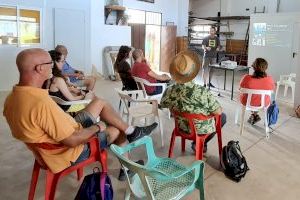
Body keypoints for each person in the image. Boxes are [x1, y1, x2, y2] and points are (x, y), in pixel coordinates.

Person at [3, 48, 157, 181]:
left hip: (64, 132)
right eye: (49, 63)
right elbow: (71, 141)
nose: (53, 66)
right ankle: (127, 169)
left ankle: (132, 131)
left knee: (99, 102)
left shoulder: (12, 98)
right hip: (67, 151)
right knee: (116, 130)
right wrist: (97, 127)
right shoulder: (39, 103)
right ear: (39, 68)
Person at [160, 50, 226, 153]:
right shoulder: (202, 91)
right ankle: (200, 143)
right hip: (200, 130)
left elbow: (163, 104)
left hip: (181, 127)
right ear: (194, 72)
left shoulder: (169, 89)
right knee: (223, 117)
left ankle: (197, 143)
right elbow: (218, 112)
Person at [239, 58, 275, 124]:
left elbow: (240, 87)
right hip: (263, 103)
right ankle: (254, 115)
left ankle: (254, 115)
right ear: (266, 67)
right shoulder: (270, 80)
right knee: (270, 96)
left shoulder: (246, 78)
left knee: (249, 96)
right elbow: (272, 90)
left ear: (253, 67)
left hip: (247, 102)